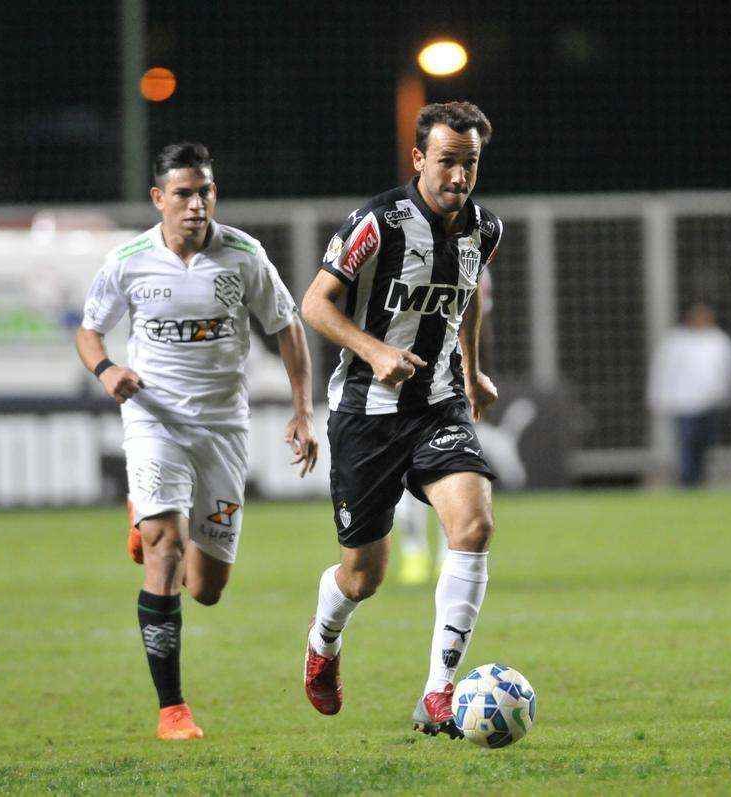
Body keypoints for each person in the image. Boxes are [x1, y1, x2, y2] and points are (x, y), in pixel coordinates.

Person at [75, 142, 319, 741]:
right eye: (182, 193)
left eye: (204, 191)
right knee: (164, 551)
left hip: (223, 430)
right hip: (153, 420)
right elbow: (90, 332)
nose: (195, 204)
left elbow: (287, 328)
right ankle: (172, 710)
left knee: (206, 589)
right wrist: (108, 371)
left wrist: (302, 411)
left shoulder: (243, 256)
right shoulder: (129, 260)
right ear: (159, 199)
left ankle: (148, 513)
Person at [300, 101, 502, 739]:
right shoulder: (376, 223)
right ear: (419, 159)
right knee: (364, 577)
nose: (459, 176)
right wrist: (375, 348)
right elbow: (315, 304)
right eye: (447, 161)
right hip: (366, 413)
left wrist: (472, 371)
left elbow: (467, 302)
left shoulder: (484, 229)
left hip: (437, 403)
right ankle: (323, 642)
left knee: (472, 525)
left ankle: (440, 693)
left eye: (469, 163)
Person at [394, 269, 495, 586]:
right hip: (398, 382)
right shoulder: (395, 247)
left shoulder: (471, 255)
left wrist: (475, 374)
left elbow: (478, 324)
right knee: (402, 471)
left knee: (451, 469)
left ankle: (446, 555)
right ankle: (413, 551)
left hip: (447, 386)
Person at [647, 302, 731, 488]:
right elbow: (661, 370)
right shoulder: (675, 341)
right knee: (686, 443)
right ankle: (686, 480)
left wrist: (728, 394)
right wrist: (656, 396)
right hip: (683, 403)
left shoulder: (719, 340)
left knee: (704, 444)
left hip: (710, 402)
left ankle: (699, 479)